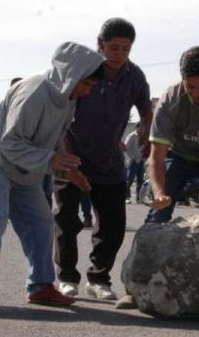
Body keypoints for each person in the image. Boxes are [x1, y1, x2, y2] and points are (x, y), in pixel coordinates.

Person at [0, 42, 104, 315]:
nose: (87, 90)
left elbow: (53, 140)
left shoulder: (68, 99)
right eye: (86, 83)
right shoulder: (34, 91)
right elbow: (9, 143)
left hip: (23, 170)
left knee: (41, 220)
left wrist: (69, 171)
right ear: (71, 75)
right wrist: (51, 161)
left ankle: (40, 286)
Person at [114, 46, 199, 309]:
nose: (197, 93)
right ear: (182, 78)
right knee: (157, 217)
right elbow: (156, 158)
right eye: (190, 86)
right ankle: (134, 287)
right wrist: (160, 193)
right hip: (178, 157)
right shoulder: (170, 100)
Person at [54, 18, 153, 300]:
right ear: (100, 44)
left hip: (109, 160)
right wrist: (64, 154)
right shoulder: (84, 71)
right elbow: (60, 113)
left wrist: (145, 131)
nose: (119, 54)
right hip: (71, 153)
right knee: (66, 219)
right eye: (113, 47)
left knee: (113, 225)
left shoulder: (134, 76)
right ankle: (66, 277)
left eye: (126, 48)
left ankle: (99, 278)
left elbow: (146, 110)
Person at [123, 128, 144, 203]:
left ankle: (139, 198)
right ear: (138, 127)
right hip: (132, 161)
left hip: (141, 161)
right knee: (129, 180)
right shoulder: (132, 135)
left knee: (140, 181)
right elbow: (125, 148)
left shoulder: (143, 136)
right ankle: (126, 197)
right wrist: (132, 157)